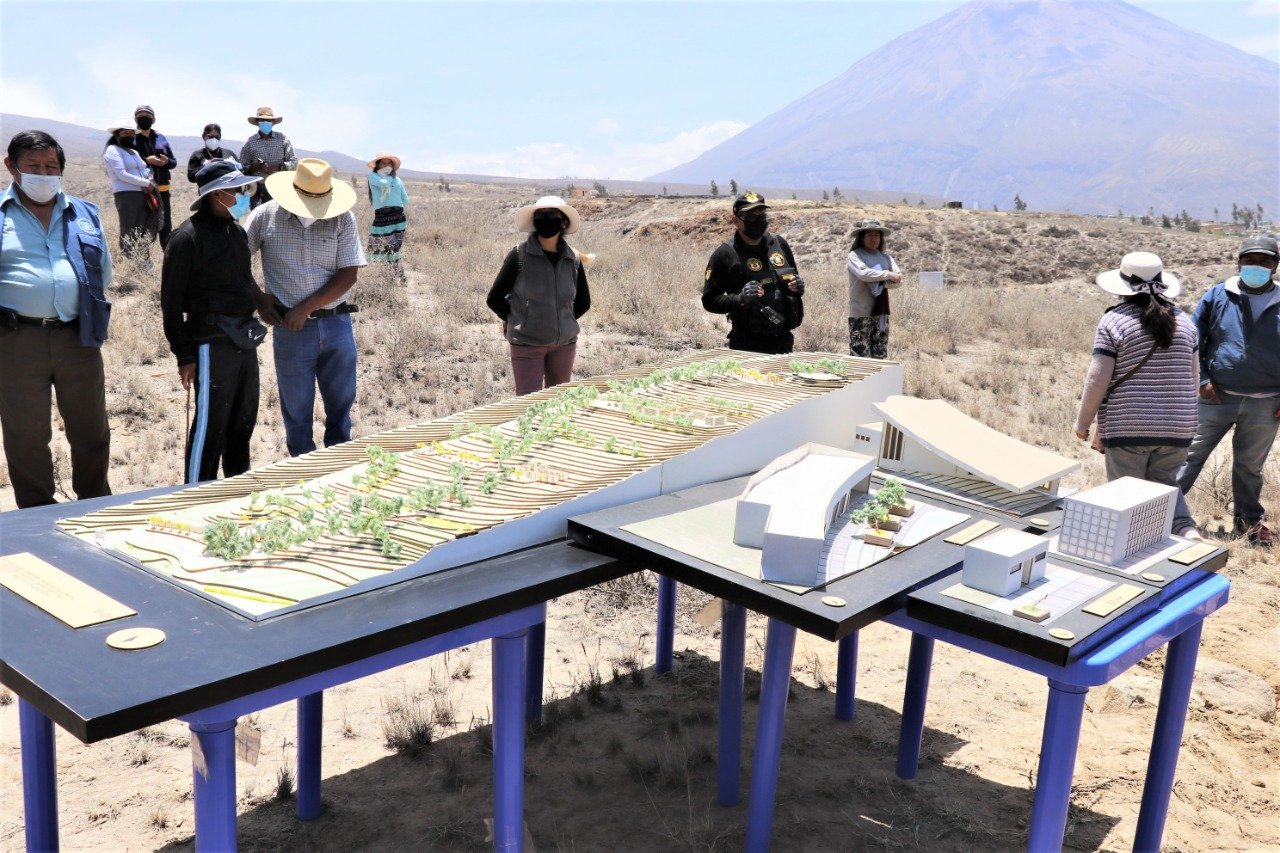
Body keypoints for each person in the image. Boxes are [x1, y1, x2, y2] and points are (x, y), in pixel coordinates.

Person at [0, 130, 113, 508]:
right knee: (26, 436)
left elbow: (104, 273)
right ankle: (37, 515)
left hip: (77, 336)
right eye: (33, 166)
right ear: (11, 167)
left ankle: (95, 504)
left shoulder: (85, 213)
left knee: (91, 429)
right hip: (17, 341)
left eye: (51, 166)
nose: (43, 173)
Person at [244, 158, 365, 456]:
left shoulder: (343, 219)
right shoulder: (264, 216)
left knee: (341, 402)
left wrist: (306, 308)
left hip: (336, 324)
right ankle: (303, 468)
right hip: (290, 329)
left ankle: (337, 461)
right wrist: (259, 299)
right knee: (296, 408)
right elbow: (235, 260)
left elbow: (348, 274)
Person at [1073, 252, 1200, 537]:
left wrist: (1083, 423)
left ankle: (1133, 552)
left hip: (1129, 424)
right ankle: (1186, 532)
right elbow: (1193, 380)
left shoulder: (1114, 322)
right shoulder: (1186, 322)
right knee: (1165, 490)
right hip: (1178, 427)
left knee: (1126, 498)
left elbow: (1098, 379)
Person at [162, 161, 270, 484]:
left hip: (243, 340)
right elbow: (170, 305)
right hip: (211, 343)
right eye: (236, 190)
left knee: (242, 421)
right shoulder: (185, 238)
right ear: (217, 194)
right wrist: (184, 355)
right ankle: (196, 495)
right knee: (211, 425)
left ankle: (235, 493)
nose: (243, 195)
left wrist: (265, 305)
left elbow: (243, 281)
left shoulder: (236, 233)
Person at [1176, 234, 1280, 547]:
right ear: (1239, 262)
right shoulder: (1218, 295)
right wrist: (1203, 379)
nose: (1257, 266)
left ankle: (1248, 523)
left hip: (1266, 403)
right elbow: (1192, 341)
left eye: (1265, 261)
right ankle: (1160, 515)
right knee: (1188, 456)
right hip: (1214, 397)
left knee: (1250, 467)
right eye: (1250, 260)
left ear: (1275, 266)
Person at [486, 195, 591, 395]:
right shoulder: (519, 255)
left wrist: (561, 321)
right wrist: (519, 320)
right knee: (527, 406)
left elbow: (584, 302)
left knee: (558, 404)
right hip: (527, 344)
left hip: (564, 345)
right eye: (540, 215)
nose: (545, 219)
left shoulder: (573, 259)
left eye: (551, 214)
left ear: (563, 222)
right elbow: (494, 298)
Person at [701, 191, 803, 354]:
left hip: (783, 341)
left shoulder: (779, 245)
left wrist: (798, 286)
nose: (757, 221)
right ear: (735, 220)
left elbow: (793, 283)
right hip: (746, 345)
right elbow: (710, 301)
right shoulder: (724, 255)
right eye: (750, 217)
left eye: (761, 216)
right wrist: (740, 299)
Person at [102, 124, 159, 264]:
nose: (129, 135)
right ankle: (130, 263)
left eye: (131, 133)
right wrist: (146, 183)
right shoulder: (112, 150)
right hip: (126, 194)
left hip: (143, 194)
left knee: (142, 229)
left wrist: (149, 177)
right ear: (117, 135)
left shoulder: (134, 152)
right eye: (125, 133)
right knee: (129, 228)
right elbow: (121, 174)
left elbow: (145, 169)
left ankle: (144, 262)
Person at [846, 219, 902, 359]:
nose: (874, 239)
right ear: (862, 238)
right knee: (860, 356)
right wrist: (887, 275)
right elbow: (863, 274)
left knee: (879, 356)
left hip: (881, 315)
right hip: (860, 314)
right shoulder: (855, 256)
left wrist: (883, 282)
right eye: (870, 235)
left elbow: (899, 280)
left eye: (876, 235)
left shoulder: (886, 258)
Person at [131, 105, 177, 248]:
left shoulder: (161, 138)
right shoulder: (130, 138)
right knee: (143, 227)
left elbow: (173, 162)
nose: (144, 117)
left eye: (147, 115)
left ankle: (169, 258)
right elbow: (128, 163)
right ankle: (142, 262)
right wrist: (146, 160)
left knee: (165, 226)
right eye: (141, 115)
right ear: (135, 119)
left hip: (163, 190)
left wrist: (166, 161)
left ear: (154, 119)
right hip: (142, 190)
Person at [239, 107, 296, 208]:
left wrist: (279, 167)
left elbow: (293, 161)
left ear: (273, 122)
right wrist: (256, 167)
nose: (265, 122)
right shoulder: (250, 142)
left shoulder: (282, 139)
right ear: (258, 122)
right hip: (257, 188)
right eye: (262, 120)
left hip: (279, 186)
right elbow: (242, 167)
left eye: (268, 120)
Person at [366, 152, 409, 279]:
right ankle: (401, 277)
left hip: (399, 217)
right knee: (390, 248)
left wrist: (396, 203)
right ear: (377, 165)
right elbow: (384, 183)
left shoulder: (398, 180)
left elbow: (405, 199)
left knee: (394, 248)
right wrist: (392, 175)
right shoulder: (373, 176)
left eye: (389, 163)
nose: (387, 165)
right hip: (383, 218)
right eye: (384, 163)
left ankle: (389, 276)